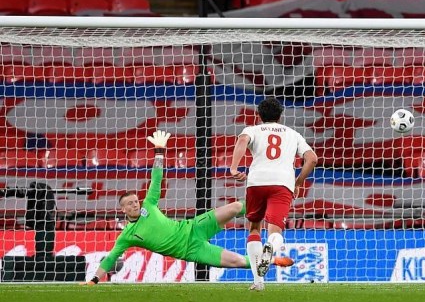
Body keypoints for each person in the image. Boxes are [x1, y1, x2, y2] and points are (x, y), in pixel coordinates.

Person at [81, 130, 293, 285]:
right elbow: (110, 258)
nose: (135, 204)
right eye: (130, 204)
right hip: (192, 250)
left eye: (136, 200)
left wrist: (159, 151)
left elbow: (156, 180)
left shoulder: (149, 204)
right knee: (237, 261)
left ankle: (274, 206)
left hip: (193, 227)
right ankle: (272, 260)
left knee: (236, 207)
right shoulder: (127, 235)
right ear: (123, 211)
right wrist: (93, 280)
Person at [230, 97, 318, 291]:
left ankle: (258, 282)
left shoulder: (251, 130)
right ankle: (270, 247)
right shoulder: (293, 134)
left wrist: (234, 167)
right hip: (282, 184)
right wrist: (298, 182)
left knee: (254, 228)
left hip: (256, 182)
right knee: (275, 231)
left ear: (259, 115)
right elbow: (312, 159)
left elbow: (242, 140)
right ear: (280, 115)